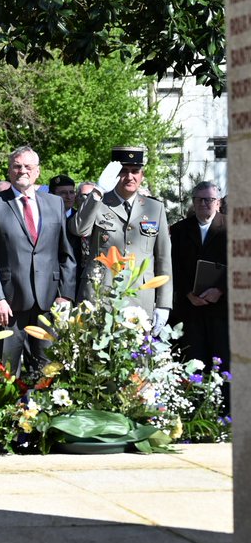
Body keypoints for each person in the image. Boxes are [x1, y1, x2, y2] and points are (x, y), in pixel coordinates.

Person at [0, 146, 76, 372]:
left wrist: (65, 295)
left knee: (49, 372)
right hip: (9, 304)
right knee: (6, 373)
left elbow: (66, 254)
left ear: (37, 171)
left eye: (28, 166)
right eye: (17, 166)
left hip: (49, 303)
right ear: (9, 170)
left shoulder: (55, 203)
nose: (22, 171)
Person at [70, 146, 172, 323]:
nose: (130, 176)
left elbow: (163, 258)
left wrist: (164, 303)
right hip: (100, 295)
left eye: (135, 171)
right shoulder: (98, 202)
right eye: (124, 171)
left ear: (142, 175)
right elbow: (79, 229)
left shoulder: (155, 208)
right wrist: (98, 191)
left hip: (140, 298)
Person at [170, 181, 228, 383]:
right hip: (190, 310)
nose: (204, 203)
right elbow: (172, 266)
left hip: (221, 311)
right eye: (199, 199)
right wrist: (188, 292)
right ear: (193, 202)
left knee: (222, 366)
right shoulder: (179, 230)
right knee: (191, 364)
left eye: (209, 199)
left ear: (218, 203)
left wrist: (220, 290)